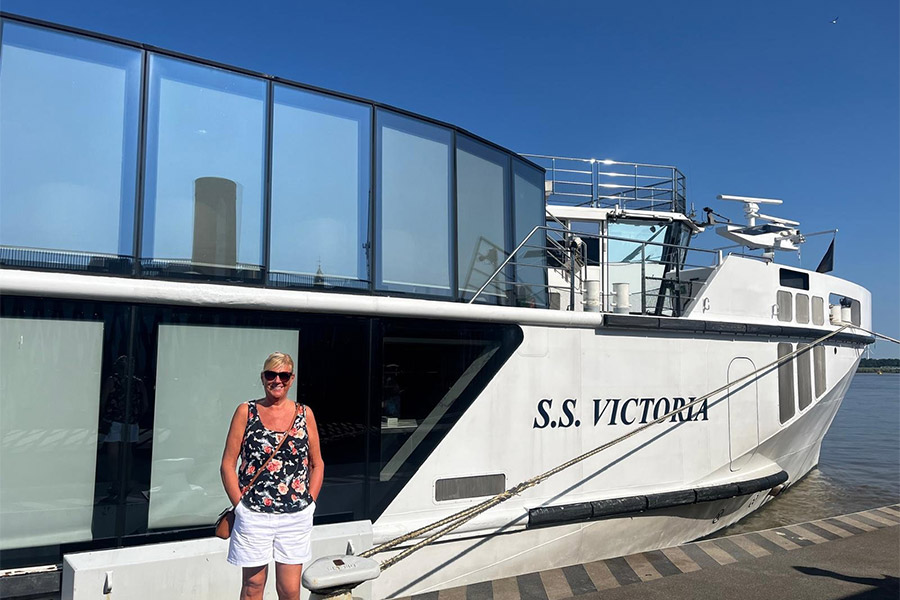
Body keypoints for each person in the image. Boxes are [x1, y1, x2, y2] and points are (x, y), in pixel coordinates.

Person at [221, 352, 324, 600]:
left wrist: (310, 503)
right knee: (253, 587)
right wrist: (241, 507)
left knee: (289, 590)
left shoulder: (304, 414)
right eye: (271, 374)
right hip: (254, 514)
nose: (277, 380)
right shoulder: (246, 411)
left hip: (295, 516)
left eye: (283, 375)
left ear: (291, 379)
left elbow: (316, 463)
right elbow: (227, 464)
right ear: (263, 377)